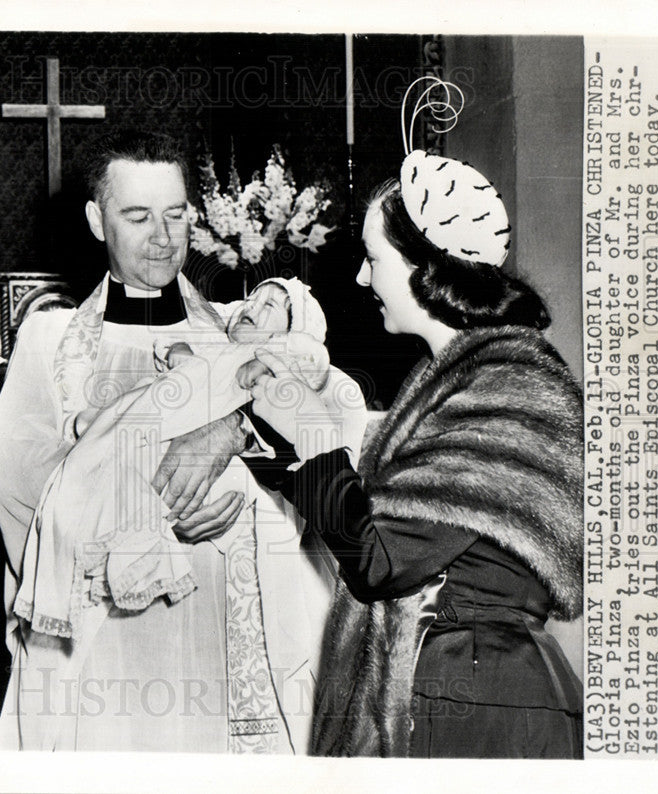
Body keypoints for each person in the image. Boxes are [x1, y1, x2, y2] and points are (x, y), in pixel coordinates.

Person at [0, 130, 365, 753]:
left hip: (217, 612)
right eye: (137, 216)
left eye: (176, 214)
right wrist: (152, 519)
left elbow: (332, 421)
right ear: (95, 220)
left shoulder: (234, 330)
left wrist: (234, 440)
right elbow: (20, 484)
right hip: (103, 626)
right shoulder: (53, 342)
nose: (163, 237)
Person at [246, 77, 584, 759]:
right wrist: (273, 454)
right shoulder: (460, 376)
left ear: (427, 268)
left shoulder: (504, 388)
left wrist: (311, 429)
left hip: (481, 700)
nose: (364, 281)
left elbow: (377, 561)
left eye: (374, 260)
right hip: (450, 683)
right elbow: (381, 526)